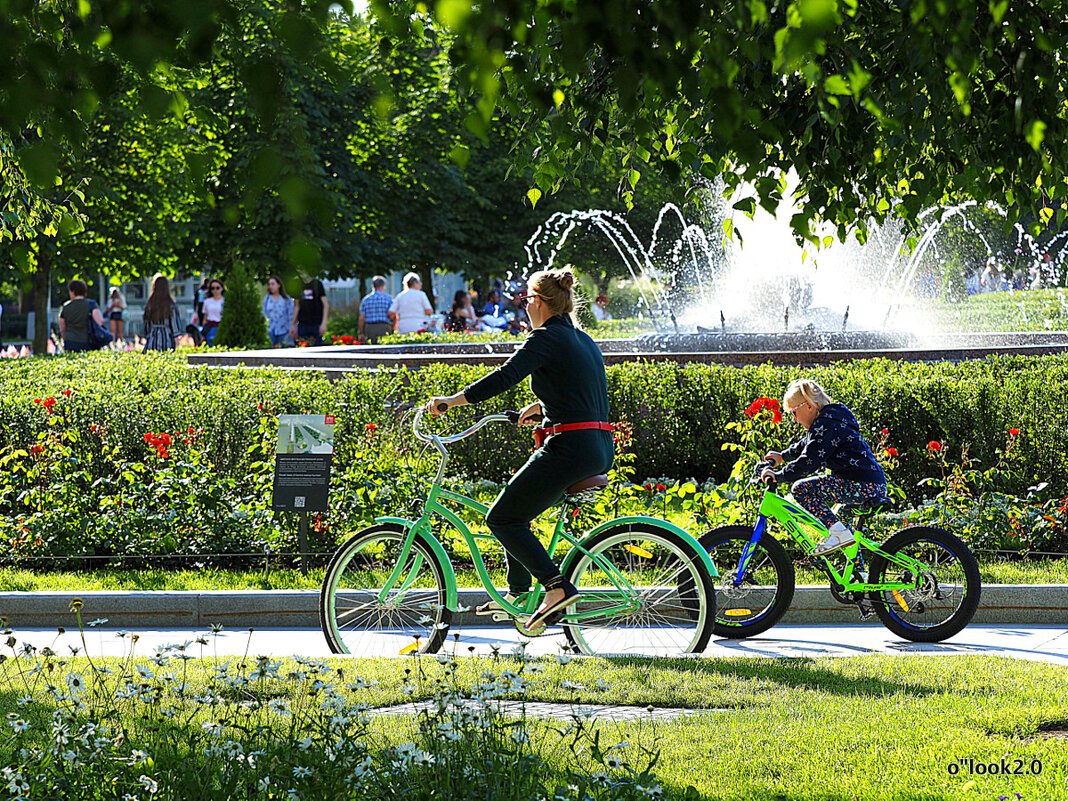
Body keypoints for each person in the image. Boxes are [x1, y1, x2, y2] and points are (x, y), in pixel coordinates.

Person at [426, 267, 614, 633]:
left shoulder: (543, 338)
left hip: (569, 447)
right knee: (516, 509)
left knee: (501, 519)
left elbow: (505, 376)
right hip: (597, 446)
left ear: (540, 302)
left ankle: (556, 587)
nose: (525, 306)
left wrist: (452, 401)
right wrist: (542, 409)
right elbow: (581, 391)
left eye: (527, 299)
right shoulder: (582, 339)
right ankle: (517, 593)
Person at [761, 378, 887, 556]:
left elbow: (808, 462)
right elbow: (806, 444)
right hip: (870, 483)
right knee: (842, 524)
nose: (794, 419)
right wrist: (782, 456)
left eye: (793, 413)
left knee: (800, 489)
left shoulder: (826, 426)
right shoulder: (830, 421)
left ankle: (839, 535)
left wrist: (779, 476)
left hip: (860, 484)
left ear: (809, 406)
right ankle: (857, 576)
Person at [59, 279, 106, 353]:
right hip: (87, 340)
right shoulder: (91, 304)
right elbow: (100, 321)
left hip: (70, 341)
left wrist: (64, 338)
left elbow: (62, 328)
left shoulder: (65, 307)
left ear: (72, 292)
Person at [142, 274, 183, 352]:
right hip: (166, 337)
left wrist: (147, 334)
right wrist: (176, 340)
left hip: (152, 337)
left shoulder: (150, 304)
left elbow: (146, 324)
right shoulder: (170, 305)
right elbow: (174, 324)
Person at [291, 278, 329, 346]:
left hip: (316, 324)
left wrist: (324, 324)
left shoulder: (317, 284)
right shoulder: (298, 284)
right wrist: (293, 324)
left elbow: (325, 304)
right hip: (302, 324)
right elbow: (297, 306)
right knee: (301, 347)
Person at [359, 275, 393, 344]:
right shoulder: (389, 298)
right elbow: (392, 315)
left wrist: (361, 332)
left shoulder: (366, 300)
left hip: (370, 328)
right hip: (384, 327)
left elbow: (362, 318)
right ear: (384, 286)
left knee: (370, 351)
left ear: (373, 286)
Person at [262, 276, 295, 347]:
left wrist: (292, 327)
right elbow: (264, 313)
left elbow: (291, 314)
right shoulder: (267, 299)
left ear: (279, 285)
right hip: (270, 330)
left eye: (273, 284)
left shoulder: (286, 299)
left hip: (284, 331)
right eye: (269, 284)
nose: (271, 286)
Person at [201, 279, 225, 344]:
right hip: (210, 327)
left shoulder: (225, 301)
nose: (215, 290)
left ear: (222, 288)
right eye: (213, 288)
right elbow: (205, 317)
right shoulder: (207, 302)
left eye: (217, 288)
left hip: (222, 327)